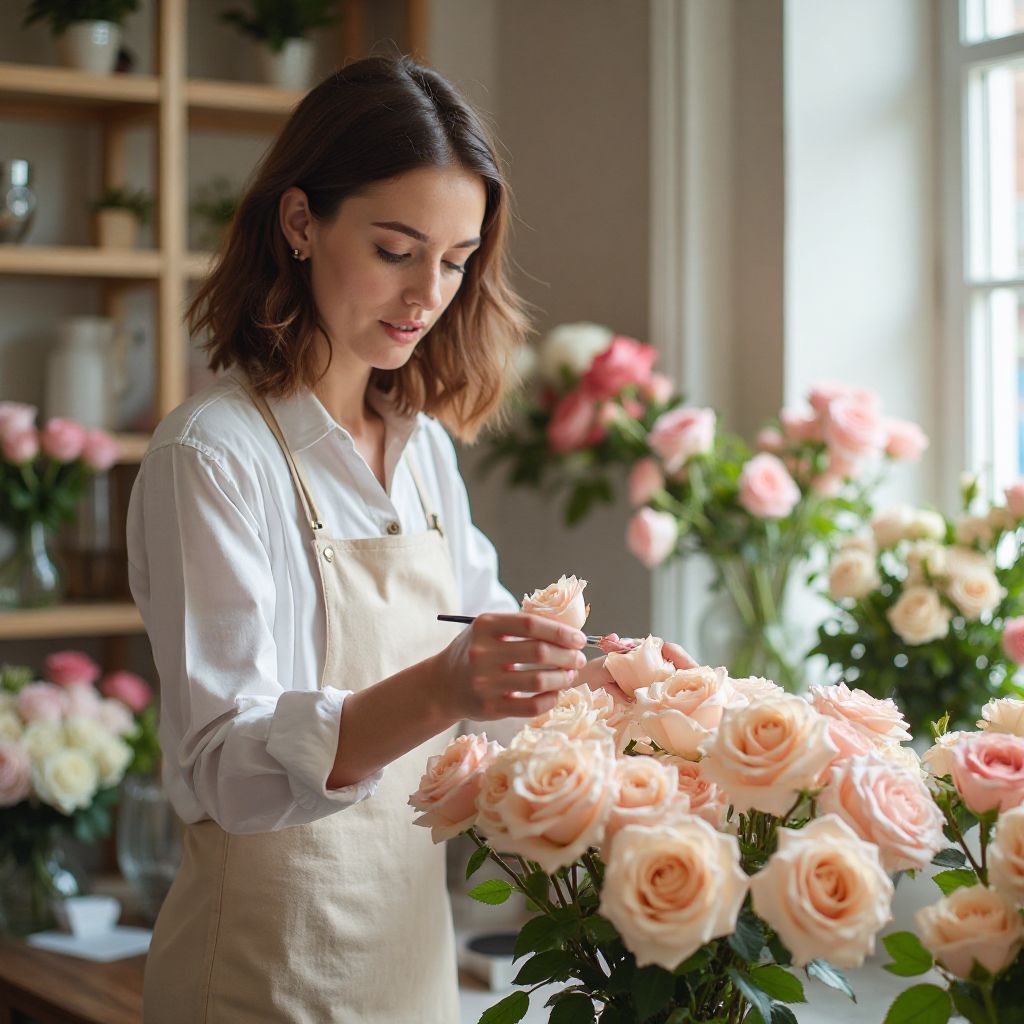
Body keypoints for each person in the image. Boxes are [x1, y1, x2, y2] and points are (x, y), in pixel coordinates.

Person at [128, 55, 691, 1024]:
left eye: (456, 257)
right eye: (395, 248)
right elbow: (220, 768)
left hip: (408, 963)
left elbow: (492, 667)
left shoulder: (422, 445)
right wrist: (439, 686)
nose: (427, 292)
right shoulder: (211, 456)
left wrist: (612, 683)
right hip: (262, 975)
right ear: (300, 222)